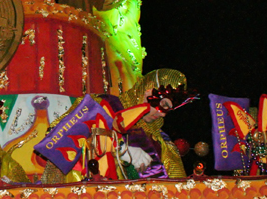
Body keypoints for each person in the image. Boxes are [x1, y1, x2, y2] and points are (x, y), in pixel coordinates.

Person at [40, 69, 193, 183]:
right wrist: (119, 149)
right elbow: (56, 137)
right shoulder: (101, 105)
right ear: (147, 91)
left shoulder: (162, 144)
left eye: (169, 109)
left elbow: (178, 191)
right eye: (163, 105)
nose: (163, 114)